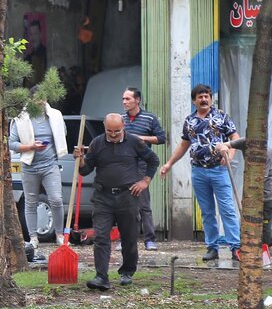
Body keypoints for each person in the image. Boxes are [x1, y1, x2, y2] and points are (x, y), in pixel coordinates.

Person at [74, 112, 159, 291]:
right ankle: (101, 277)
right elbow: (84, 171)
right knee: (101, 237)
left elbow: (153, 160)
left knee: (129, 237)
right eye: (109, 131)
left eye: (117, 131)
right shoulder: (97, 143)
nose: (113, 135)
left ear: (124, 128)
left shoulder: (135, 142)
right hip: (103, 196)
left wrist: (145, 181)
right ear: (105, 128)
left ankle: (127, 271)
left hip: (127, 196)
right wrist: (81, 159)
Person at [159, 84, 241, 262]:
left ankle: (236, 247)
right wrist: (169, 163)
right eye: (200, 97)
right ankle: (212, 247)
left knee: (227, 209)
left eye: (207, 96)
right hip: (198, 172)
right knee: (207, 212)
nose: (204, 99)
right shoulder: (189, 121)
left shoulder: (221, 117)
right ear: (194, 100)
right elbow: (184, 145)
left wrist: (230, 155)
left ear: (211, 98)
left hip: (220, 171)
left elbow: (235, 138)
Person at [9, 84, 68, 244]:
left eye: (43, 98)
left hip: (50, 164)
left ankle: (59, 235)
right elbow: (12, 143)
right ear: (31, 99)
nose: (40, 102)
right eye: (37, 98)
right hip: (30, 165)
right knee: (31, 201)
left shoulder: (55, 116)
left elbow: (63, 133)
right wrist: (30, 146)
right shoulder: (21, 118)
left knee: (56, 199)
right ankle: (33, 237)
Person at [120, 86, 167, 251]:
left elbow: (162, 138)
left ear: (137, 100)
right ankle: (125, 239)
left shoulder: (149, 118)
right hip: (124, 166)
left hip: (141, 165)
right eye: (123, 99)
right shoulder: (121, 119)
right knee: (124, 205)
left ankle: (149, 239)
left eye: (128, 99)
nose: (124, 102)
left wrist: (142, 138)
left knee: (143, 203)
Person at [227, 137, 272, 250]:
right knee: (246, 223)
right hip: (250, 190)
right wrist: (224, 148)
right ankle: (250, 249)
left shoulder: (266, 153)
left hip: (264, 193)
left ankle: (271, 248)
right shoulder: (245, 142)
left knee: (264, 224)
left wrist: (248, 197)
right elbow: (226, 144)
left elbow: (260, 179)